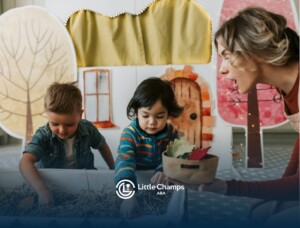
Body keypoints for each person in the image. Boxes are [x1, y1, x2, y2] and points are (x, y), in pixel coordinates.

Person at [169, 7, 299, 227]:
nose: (222, 70)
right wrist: (277, 194)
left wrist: (228, 187)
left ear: (253, 51)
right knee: (260, 212)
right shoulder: (288, 88)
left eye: (227, 56)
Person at [19, 82, 115, 206]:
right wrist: (43, 190)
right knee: (28, 202)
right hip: (52, 185)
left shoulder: (88, 129)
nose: (62, 130)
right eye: (54, 124)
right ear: (47, 115)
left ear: (80, 115)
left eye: (69, 124)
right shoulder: (43, 135)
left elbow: (102, 145)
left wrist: (113, 168)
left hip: (83, 182)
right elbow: (24, 162)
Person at [114, 77, 183, 218]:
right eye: (145, 115)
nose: (152, 122)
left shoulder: (171, 132)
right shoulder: (130, 134)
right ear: (136, 112)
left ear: (168, 114)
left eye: (159, 116)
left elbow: (176, 157)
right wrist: (128, 196)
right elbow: (124, 164)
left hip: (160, 186)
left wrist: (164, 170)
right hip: (135, 182)